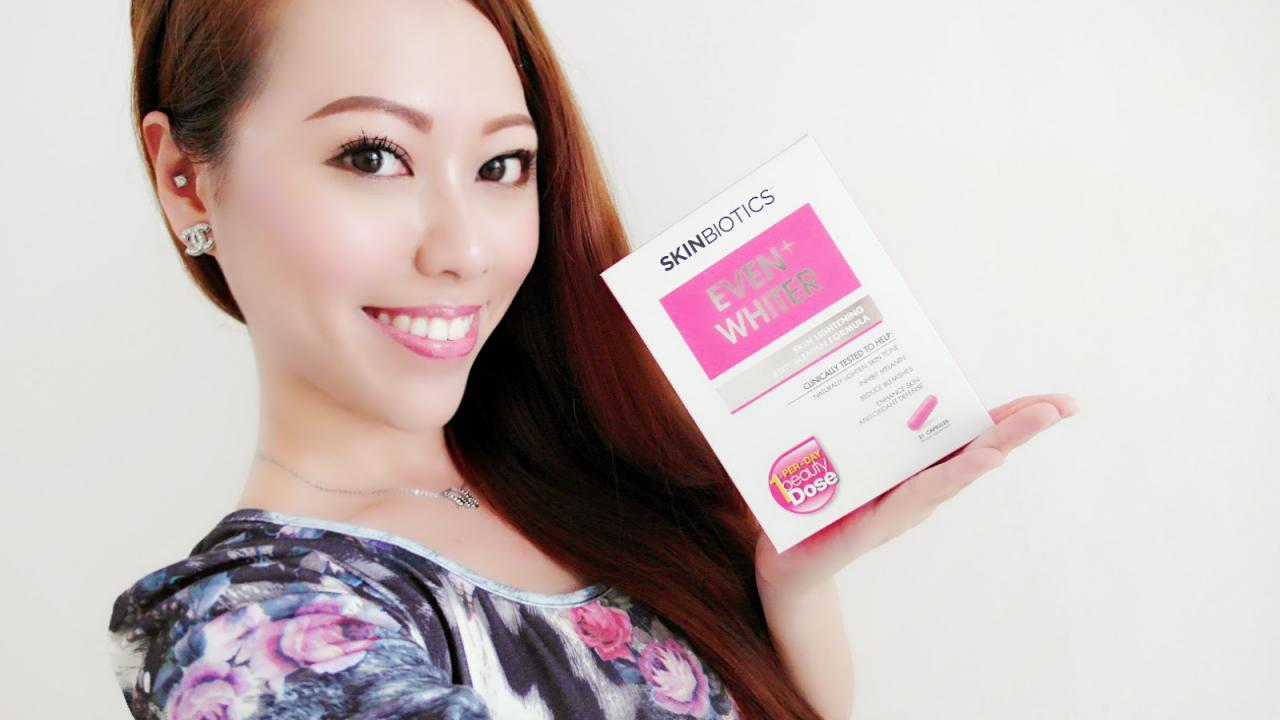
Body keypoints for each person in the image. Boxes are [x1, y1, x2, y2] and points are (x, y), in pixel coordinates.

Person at [106, 1, 1079, 718]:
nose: (464, 250)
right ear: (185, 179)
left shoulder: (593, 481)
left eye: (501, 166)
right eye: (372, 156)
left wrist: (790, 594)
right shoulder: (240, 635)